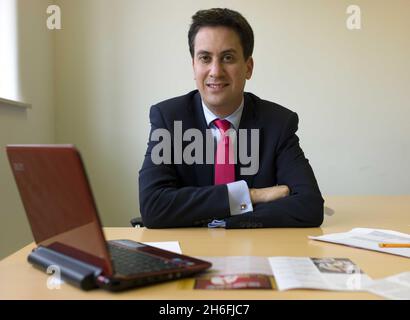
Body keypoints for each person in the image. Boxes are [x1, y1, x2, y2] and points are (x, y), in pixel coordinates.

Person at [138, 8, 324, 229]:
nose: (215, 71)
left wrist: (214, 216)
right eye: (205, 58)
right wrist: (249, 196)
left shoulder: (278, 123)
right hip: (190, 252)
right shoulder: (168, 119)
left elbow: (309, 207)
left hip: (254, 253)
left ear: (248, 67)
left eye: (227, 58)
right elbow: (153, 207)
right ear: (194, 66)